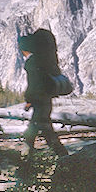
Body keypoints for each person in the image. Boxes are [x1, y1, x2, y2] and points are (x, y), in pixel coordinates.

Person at [19, 28, 68, 157]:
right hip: (46, 100)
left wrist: (29, 99)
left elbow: (33, 84)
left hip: (39, 101)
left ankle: (26, 159)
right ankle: (62, 156)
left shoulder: (32, 62)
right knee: (44, 129)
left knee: (38, 130)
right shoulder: (47, 61)